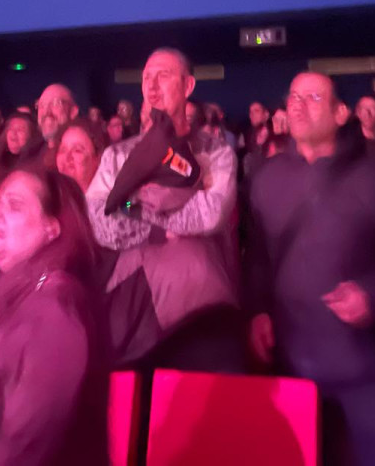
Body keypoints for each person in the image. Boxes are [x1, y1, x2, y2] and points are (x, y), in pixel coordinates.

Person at [245, 72, 375, 466]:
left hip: (366, 366)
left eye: (313, 98)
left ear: (340, 113)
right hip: (291, 361)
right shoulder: (266, 178)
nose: (298, 105)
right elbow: (259, 258)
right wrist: (259, 310)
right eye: (293, 97)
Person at [85, 48, 242, 371]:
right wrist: (155, 218)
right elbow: (101, 220)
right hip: (132, 308)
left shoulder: (215, 153)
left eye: (164, 75)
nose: (152, 85)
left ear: (188, 86)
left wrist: (129, 204)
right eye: (146, 77)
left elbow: (209, 214)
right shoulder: (117, 156)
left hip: (199, 305)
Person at [0, 170, 108, 466]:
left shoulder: (54, 310)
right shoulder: (19, 299)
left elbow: (25, 447)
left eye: (14, 205)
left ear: (51, 229)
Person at [56, 120, 106, 192]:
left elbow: (128, 203)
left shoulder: (113, 197)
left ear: (98, 159)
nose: (67, 158)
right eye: (62, 150)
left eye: (77, 150)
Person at [37, 83, 79, 152]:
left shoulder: (76, 154)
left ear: (73, 112)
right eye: (42, 105)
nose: (46, 111)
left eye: (56, 103)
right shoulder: (32, 154)